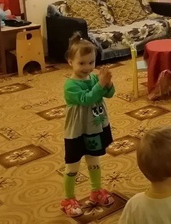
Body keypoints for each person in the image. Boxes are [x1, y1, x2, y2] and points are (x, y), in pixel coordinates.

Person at [60, 33, 115, 217]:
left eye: (91, 62)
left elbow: (108, 94)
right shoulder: (70, 86)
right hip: (76, 131)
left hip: (93, 128)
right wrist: (100, 84)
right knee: (73, 165)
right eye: (82, 63)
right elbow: (87, 99)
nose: (87, 67)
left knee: (94, 159)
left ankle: (96, 190)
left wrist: (107, 83)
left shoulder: (92, 79)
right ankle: (68, 199)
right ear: (70, 62)